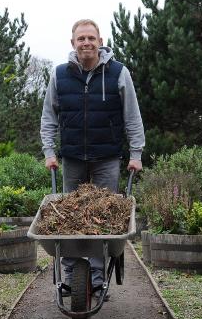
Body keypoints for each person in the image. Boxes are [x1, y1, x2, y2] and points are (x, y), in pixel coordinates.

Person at [40, 18, 145, 301]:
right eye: (81, 39)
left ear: (100, 41)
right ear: (73, 43)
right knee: (68, 221)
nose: (86, 43)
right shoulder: (60, 74)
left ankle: (97, 282)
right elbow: (49, 117)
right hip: (72, 158)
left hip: (106, 158)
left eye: (91, 38)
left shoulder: (118, 73)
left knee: (103, 221)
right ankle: (71, 278)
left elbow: (132, 117)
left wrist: (136, 154)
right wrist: (49, 153)